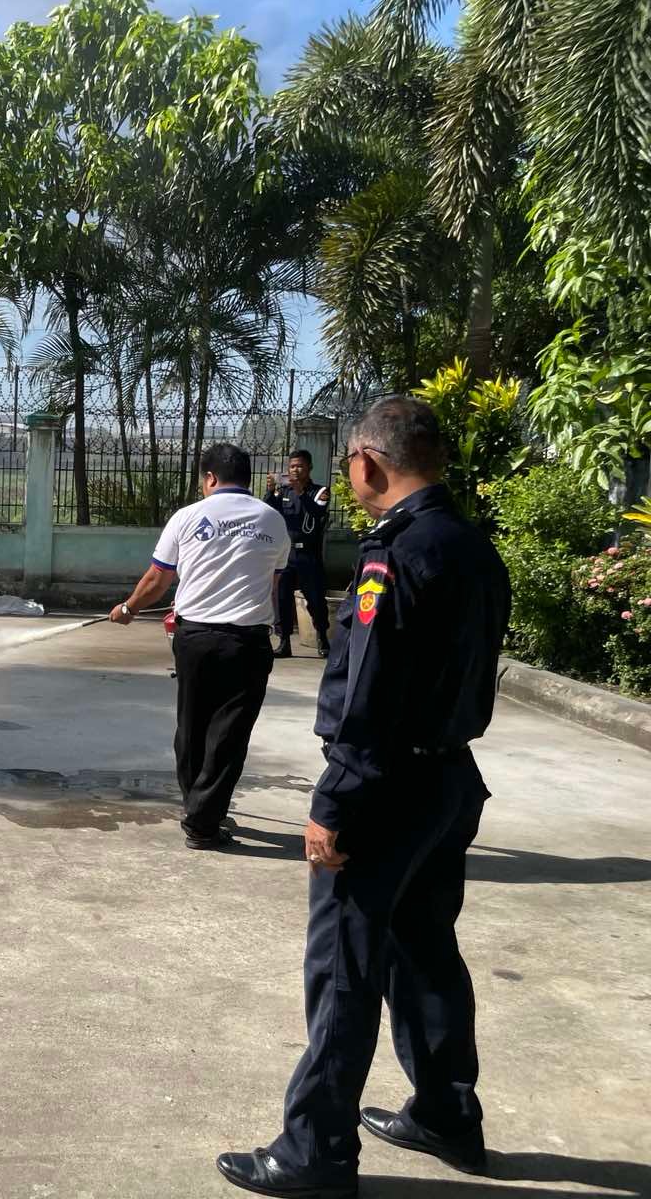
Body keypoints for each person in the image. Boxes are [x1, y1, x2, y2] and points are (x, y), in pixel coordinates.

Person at [216, 398, 512, 1199]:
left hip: (385, 788)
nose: (348, 474)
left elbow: (370, 692)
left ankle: (316, 1150)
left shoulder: (395, 554)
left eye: (349, 461)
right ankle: (447, 1113)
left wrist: (336, 799)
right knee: (425, 952)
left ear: (369, 463)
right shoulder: (472, 546)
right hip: (448, 779)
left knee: (345, 966)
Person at [110, 443, 290, 851]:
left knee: (192, 726)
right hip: (247, 642)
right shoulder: (273, 520)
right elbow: (272, 583)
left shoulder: (188, 517)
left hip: (195, 640)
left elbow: (157, 579)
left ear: (210, 478)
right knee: (230, 733)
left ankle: (200, 811)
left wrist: (128, 608)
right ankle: (203, 817)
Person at [265, 449, 331, 658]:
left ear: (309, 468)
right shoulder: (284, 492)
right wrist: (270, 491)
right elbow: (268, 510)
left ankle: (322, 638)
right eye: (292, 466)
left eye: (300, 466)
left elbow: (317, 512)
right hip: (287, 554)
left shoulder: (320, 492)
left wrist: (301, 492)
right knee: (282, 599)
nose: (295, 470)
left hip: (309, 555)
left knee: (315, 599)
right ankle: (284, 641)